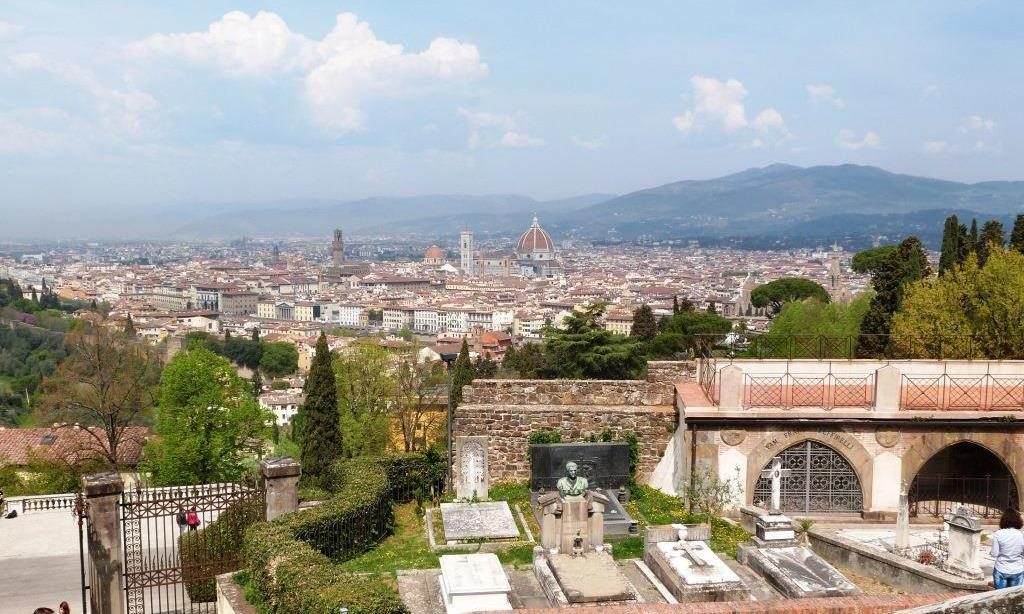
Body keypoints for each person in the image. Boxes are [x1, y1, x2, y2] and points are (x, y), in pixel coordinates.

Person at [990, 507, 1024, 589]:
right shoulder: (1021, 535)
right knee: (1015, 598)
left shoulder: (998, 534)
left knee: (1000, 597)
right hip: (1017, 569)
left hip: (1001, 569)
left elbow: (994, 554)